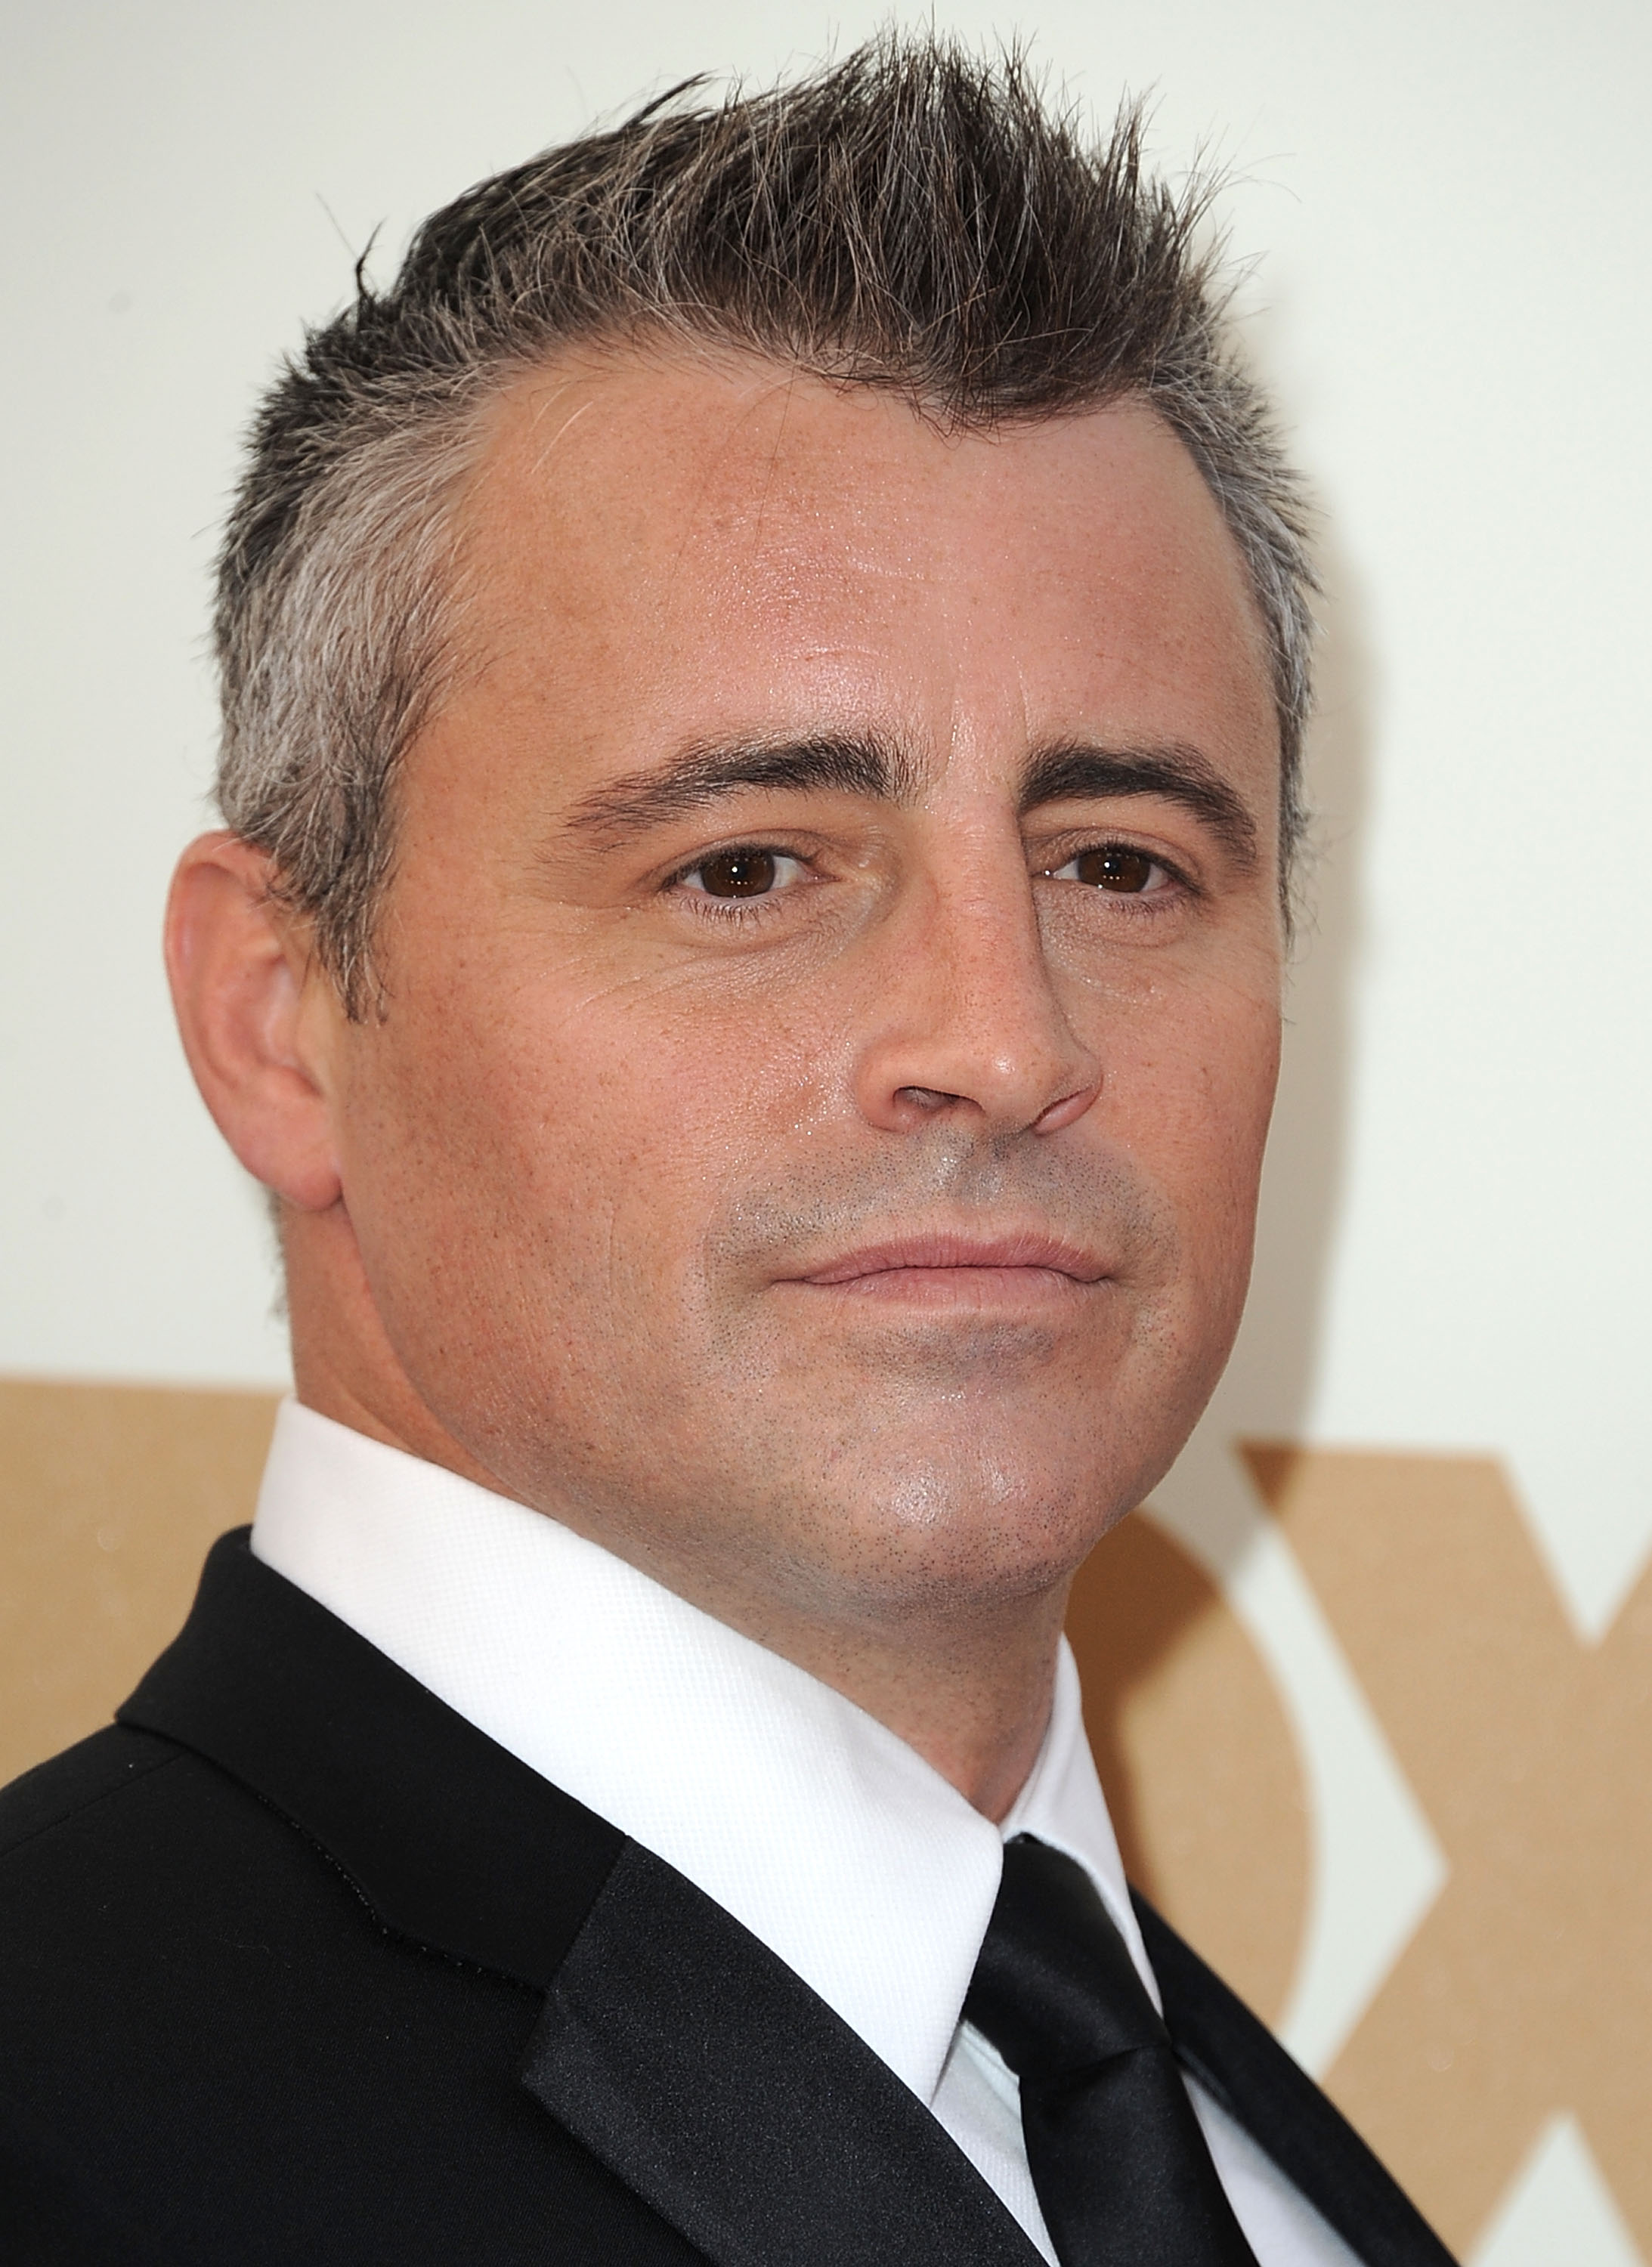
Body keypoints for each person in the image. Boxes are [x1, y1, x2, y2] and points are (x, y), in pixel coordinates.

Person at [0, 38, 1455, 2266]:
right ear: (277, 1020)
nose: (997, 1040)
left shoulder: (1210, 2131)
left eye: (1123, 865)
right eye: (750, 867)